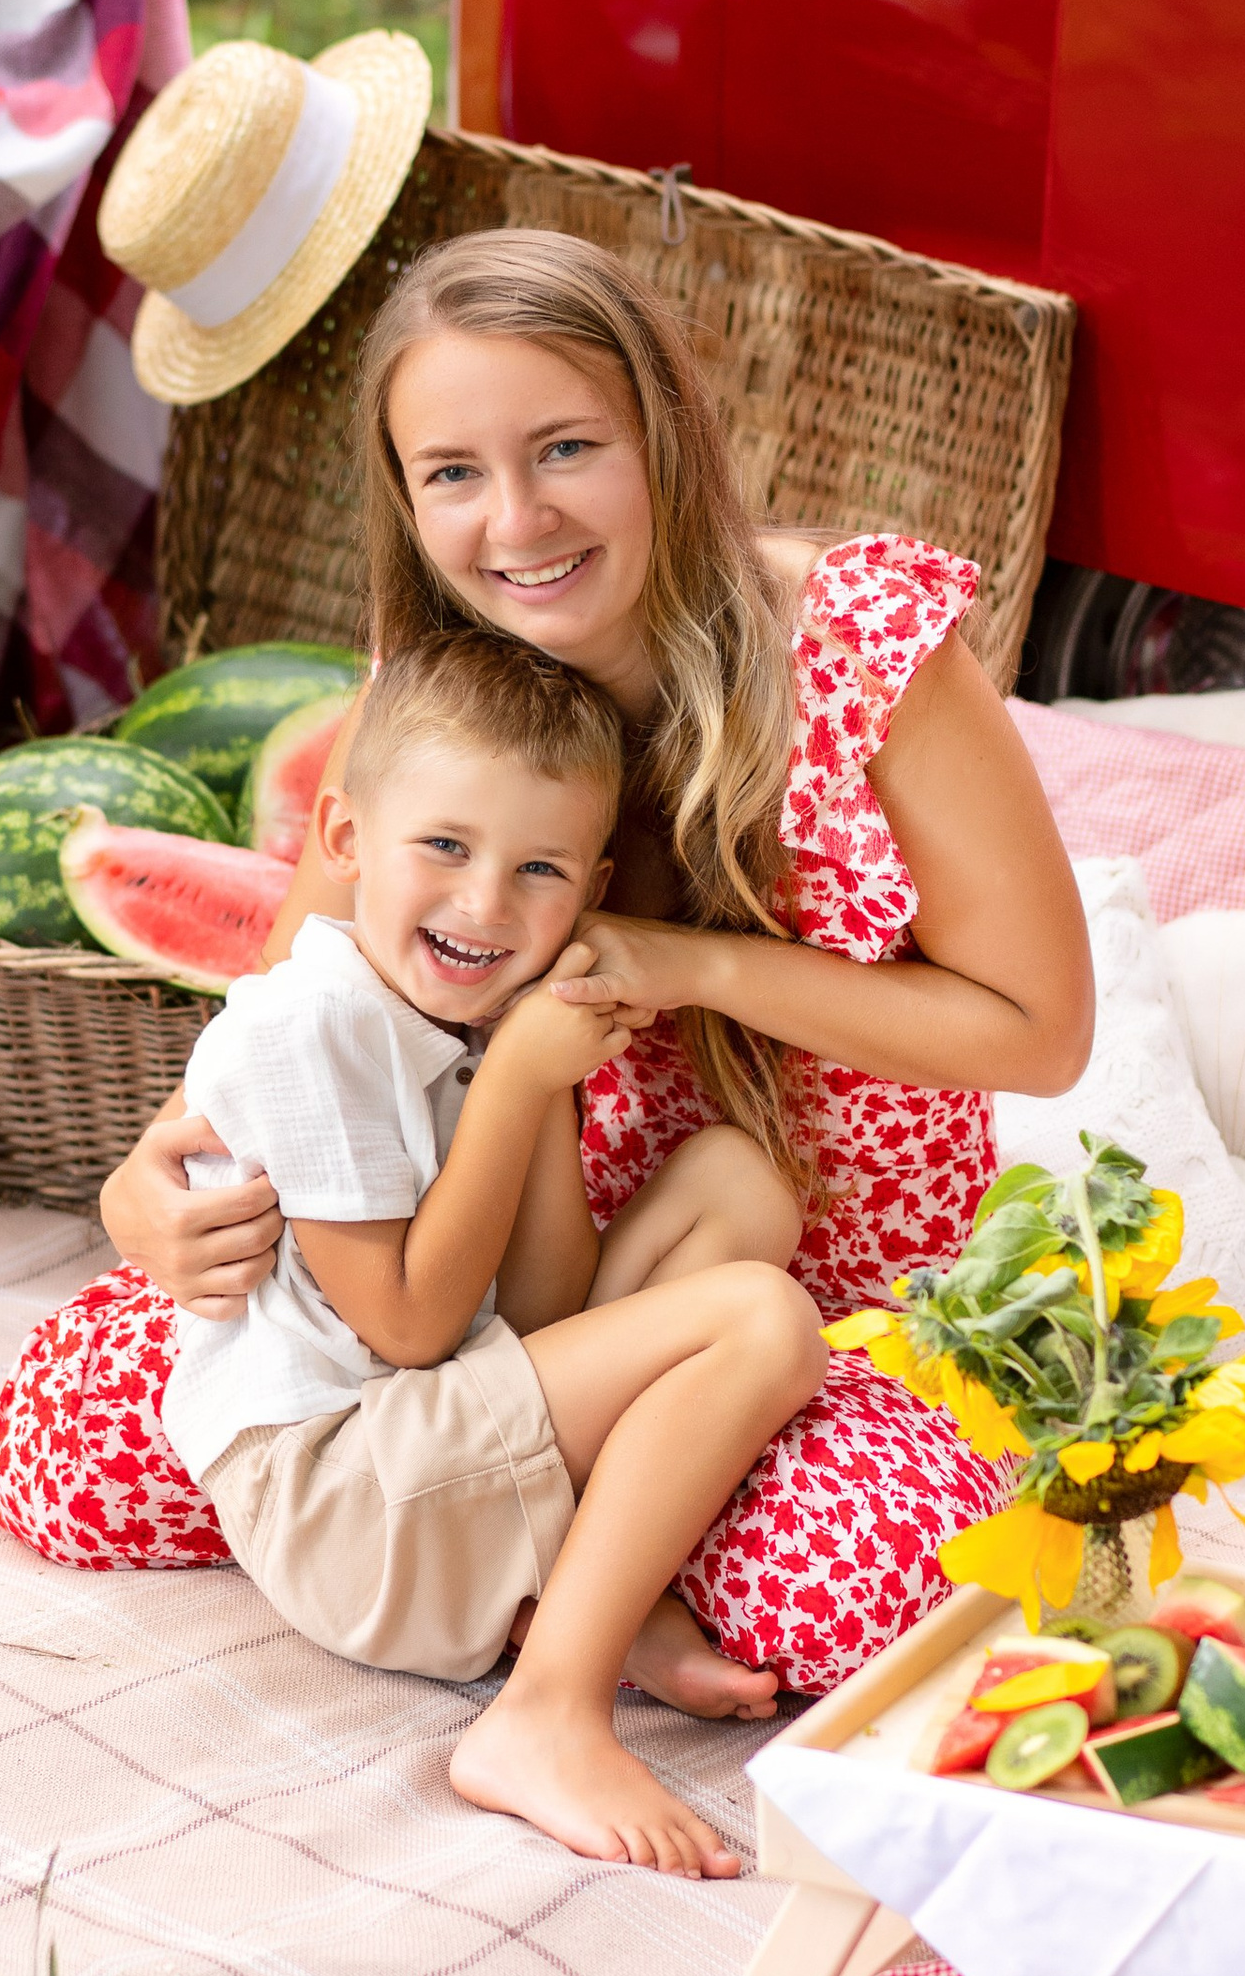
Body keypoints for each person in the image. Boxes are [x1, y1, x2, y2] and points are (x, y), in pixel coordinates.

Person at [0, 227, 1093, 1691]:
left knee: (846, 1595)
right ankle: (571, 1571)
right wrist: (152, 1190)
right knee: (60, 1439)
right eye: (452, 474)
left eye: (566, 448)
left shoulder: (861, 647)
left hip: (794, 1301)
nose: (514, 520)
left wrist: (685, 964)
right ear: (405, 498)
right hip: (450, 1273)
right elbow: (298, 1011)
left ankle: (533, 1572)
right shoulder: (441, 691)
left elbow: (1040, 1031)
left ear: (667, 443)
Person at [162, 617, 822, 1875]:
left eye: (539, 872)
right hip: (336, 1495)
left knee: (736, 1186)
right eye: (446, 847)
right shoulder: (314, 1027)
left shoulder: (452, 1019)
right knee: (761, 1319)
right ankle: (544, 1713)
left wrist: (541, 1074)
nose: (483, 901)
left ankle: (589, 1604)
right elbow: (407, 1327)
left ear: (590, 892)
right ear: (347, 841)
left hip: (427, 1447)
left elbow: (538, 1306)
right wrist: (517, 1080)